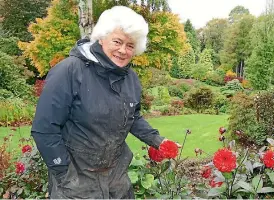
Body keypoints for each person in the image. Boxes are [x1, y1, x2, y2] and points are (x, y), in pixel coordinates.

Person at [31, 6, 177, 199]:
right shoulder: (70, 71)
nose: (123, 50)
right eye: (117, 41)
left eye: (130, 45)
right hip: (76, 183)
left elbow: (132, 116)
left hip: (116, 178)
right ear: (101, 38)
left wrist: (158, 141)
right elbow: (44, 128)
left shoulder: (130, 79)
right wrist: (63, 172)